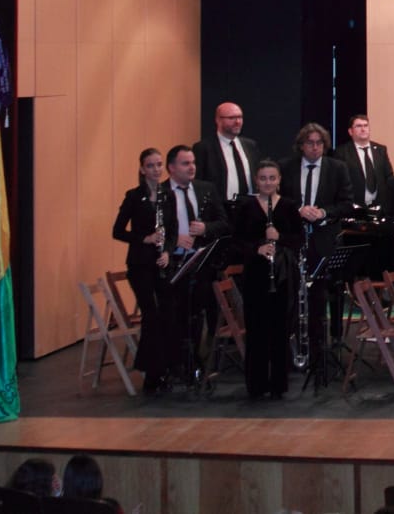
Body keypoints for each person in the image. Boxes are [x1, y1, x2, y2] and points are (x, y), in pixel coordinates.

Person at [281, 122, 357, 374]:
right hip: (294, 241)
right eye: (310, 143)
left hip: (323, 240)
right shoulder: (286, 167)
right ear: (301, 145)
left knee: (318, 298)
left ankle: (319, 352)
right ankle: (294, 352)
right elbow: (278, 200)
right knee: (292, 297)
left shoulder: (337, 168)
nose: (315, 147)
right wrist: (297, 210)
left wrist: (323, 212)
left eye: (319, 143)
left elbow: (346, 204)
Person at [156, 143, 230, 390]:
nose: (192, 168)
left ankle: (195, 364)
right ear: (171, 168)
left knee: (198, 317)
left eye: (193, 163)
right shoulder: (160, 192)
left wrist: (206, 228)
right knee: (173, 317)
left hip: (199, 264)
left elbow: (224, 222)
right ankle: (173, 366)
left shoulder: (205, 189)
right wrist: (174, 238)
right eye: (185, 163)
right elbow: (153, 229)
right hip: (172, 264)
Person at [233, 158, 304, 399]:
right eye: (263, 178)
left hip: (283, 275)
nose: (267, 182)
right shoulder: (246, 207)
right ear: (256, 180)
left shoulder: (288, 206)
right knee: (257, 329)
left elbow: (299, 240)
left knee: (280, 329)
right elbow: (235, 242)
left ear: (279, 180)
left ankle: (278, 385)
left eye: (272, 178)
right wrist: (257, 248)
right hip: (255, 275)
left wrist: (279, 237)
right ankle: (256, 384)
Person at [111, 146, 170, 383]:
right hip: (140, 264)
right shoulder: (134, 196)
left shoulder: (168, 195)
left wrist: (167, 249)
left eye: (159, 164)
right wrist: (144, 238)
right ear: (142, 169)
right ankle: (150, 371)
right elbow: (117, 231)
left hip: (161, 262)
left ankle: (162, 367)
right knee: (151, 314)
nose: (156, 170)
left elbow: (173, 228)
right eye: (150, 166)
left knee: (165, 313)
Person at [193, 101, 263, 211]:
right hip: (221, 210)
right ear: (218, 120)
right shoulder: (204, 148)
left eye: (240, 117)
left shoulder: (250, 146)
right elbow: (199, 182)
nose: (237, 122)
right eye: (231, 118)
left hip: (249, 210)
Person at [336, 114, 393, 212]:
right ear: (350, 131)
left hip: (379, 208)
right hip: (354, 208)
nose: (363, 129)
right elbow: (338, 182)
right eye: (358, 126)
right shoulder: (341, 152)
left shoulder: (380, 150)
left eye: (365, 125)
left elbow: (389, 176)